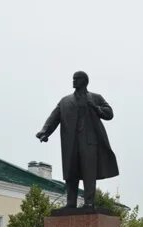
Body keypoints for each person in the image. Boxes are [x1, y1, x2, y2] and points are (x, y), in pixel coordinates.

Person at [36, 71, 118, 208]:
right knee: (71, 172)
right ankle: (71, 202)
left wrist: (95, 107)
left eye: (77, 79)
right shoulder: (65, 101)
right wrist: (45, 132)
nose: (73, 81)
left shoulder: (96, 98)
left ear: (85, 81)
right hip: (70, 142)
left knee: (89, 172)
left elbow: (109, 114)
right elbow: (54, 117)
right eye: (73, 79)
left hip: (90, 142)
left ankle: (89, 202)